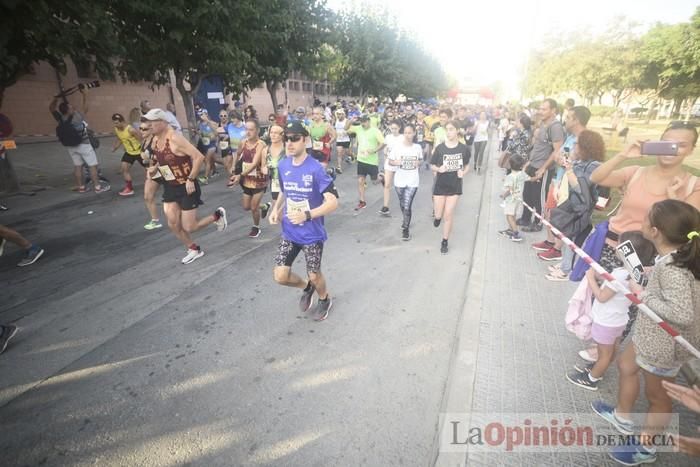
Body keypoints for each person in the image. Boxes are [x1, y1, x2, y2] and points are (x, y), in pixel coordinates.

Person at [592, 199, 700, 465]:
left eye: (646, 217)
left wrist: (644, 296)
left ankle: (646, 447)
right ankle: (622, 415)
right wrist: (649, 275)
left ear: (655, 231)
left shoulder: (673, 268)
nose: (642, 219)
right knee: (626, 365)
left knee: (659, 398)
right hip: (649, 336)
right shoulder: (672, 258)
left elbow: (683, 314)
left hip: (664, 346)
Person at [566, 231, 655, 391]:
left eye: (618, 244)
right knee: (612, 349)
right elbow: (616, 288)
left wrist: (591, 278)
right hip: (619, 319)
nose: (615, 246)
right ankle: (598, 368)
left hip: (606, 321)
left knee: (604, 353)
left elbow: (601, 296)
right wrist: (602, 278)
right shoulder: (637, 273)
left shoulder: (620, 275)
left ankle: (592, 378)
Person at [269, 121, 339, 321]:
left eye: (294, 139)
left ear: (305, 140)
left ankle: (324, 299)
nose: (289, 143)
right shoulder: (283, 165)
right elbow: (285, 190)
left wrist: (307, 215)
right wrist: (276, 209)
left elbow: (333, 202)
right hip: (290, 231)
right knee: (280, 276)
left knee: (315, 274)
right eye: (286, 139)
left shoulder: (316, 169)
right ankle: (306, 287)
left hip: (311, 234)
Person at [142, 109, 227, 264]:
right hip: (170, 185)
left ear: (163, 122)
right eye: (148, 122)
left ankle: (217, 216)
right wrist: (155, 167)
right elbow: (159, 158)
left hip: (187, 185)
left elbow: (198, 157)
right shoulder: (155, 139)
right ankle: (193, 249)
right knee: (173, 223)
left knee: (189, 226)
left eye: (153, 122)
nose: (149, 125)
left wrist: (190, 179)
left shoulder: (175, 138)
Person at [534, 106, 592, 263]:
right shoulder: (571, 136)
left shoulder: (585, 139)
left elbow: (580, 163)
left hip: (569, 184)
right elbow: (561, 155)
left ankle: (557, 249)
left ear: (576, 120)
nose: (565, 120)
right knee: (549, 213)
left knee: (562, 217)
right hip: (558, 179)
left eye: (569, 117)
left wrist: (564, 160)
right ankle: (550, 241)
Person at [518, 98, 565, 231]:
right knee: (527, 194)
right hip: (533, 164)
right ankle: (525, 219)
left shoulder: (555, 127)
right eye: (540, 108)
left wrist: (544, 168)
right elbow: (538, 146)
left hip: (542, 168)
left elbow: (557, 151)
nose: (540, 111)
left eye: (544, 109)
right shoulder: (543, 124)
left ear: (553, 111)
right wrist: (528, 162)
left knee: (539, 197)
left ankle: (538, 223)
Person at [49, 87, 106, 193]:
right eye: (71, 107)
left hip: (70, 146)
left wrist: (55, 98)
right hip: (84, 144)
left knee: (77, 166)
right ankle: (98, 187)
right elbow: (86, 108)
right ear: (68, 110)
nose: (73, 108)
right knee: (92, 165)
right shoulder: (77, 116)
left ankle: (81, 187)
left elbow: (51, 108)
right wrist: (85, 95)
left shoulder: (60, 118)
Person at [431, 121, 471, 254]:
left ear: (457, 130)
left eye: (451, 129)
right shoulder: (440, 148)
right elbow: (432, 165)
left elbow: (467, 166)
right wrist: (439, 168)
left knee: (448, 214)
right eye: (447, 130)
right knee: (439, 214)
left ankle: (444, 240)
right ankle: (437, 218)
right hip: (440, 185)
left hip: (455, 185)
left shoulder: (463, 149)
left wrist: (463, 172)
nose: (449, 132)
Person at [229, 119, 269, 238]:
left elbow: (254, 163)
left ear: (257, 130)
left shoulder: (261, 144)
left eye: (251, 130)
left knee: (253, 207)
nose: (248, 132)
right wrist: (233, 165)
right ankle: (265, 206)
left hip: (259, 180)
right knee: (246, 206)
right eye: (246, 129)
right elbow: (237, 153)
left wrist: (240, 175)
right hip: (247, 179)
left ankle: (256, 227)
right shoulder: (243, 142)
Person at [387, 124, 422, 240]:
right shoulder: (397, 147)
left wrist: (418, 163)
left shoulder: (417, 147)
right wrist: (396, 162)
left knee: (407, 205)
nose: (408, 135)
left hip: (412, 180)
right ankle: (405, 219)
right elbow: (390, 161)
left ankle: (405, 230)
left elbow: (420, 160)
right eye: (406, 133)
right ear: (403, 134)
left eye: (410, 132)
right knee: (403, 204)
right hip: (399, 180)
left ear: (414, 134)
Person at [347, 115, 385, 211]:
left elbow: (383, 143)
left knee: (375, 181)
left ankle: (382, 178)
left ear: (369, 121)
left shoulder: (375, 131)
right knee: (360, 181)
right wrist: (351, 120)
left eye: (364, 122)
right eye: (361, 122)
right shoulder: (359, 128)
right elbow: (346, 128)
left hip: (372, 161)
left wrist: (374, 150)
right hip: (361, 160)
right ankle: (362, 201)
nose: (363, 124)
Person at [137, 121, 163, 230]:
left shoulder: (155, 140)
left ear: (151, 129)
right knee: (147, 196)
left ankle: (186, 214)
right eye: (140, 128)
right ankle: (155, 220)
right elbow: (146, 159)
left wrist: (155, 166)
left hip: (162, 171)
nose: (141, 131)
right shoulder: (144, 142)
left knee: (175, 195)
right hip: (151, 172)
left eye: (145, 129)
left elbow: (162, 156)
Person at [110, 112, 144, 197]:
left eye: (117, 123)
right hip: (129, 153)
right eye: (114, 123)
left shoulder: (130, 130)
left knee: (150, 169)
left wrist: (146, 151)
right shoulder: (117, 129)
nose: (116, 125)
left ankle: (161, 180)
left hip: (139, 152)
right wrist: (115, 147)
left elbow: (141, 139)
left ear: (122, 121)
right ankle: (129, 188)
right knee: (124, 169)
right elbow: (120, 139)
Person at [498, 155, 528, 242]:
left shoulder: (510, 177)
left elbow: (510, 190)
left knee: (509, 216)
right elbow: (529, 178)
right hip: (518, 198)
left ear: (510, 165)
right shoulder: (522, 174)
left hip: (511, 199)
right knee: (513, 214)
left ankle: (516, 234)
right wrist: (536, 178)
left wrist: (503, 195)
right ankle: (510, 229)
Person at [380, 120, 403, 216]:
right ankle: (385, 207)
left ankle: (404, 204)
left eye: (395, 128)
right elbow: (385, 147)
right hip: (389, 163)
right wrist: (385, 156)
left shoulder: (403, 138)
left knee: (400, 186)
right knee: (387, 184)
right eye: (392, 128)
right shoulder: (388, 137)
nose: (393, 130)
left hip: (399, 164)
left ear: (399, 128)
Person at [262, 123, 285, 205]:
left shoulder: (288, 149)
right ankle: (269, 207)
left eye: (276, 133)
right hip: (275, 182)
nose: (273, 135)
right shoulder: (266, 150)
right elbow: (263, 166)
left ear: (282, 135)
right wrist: (264, 169)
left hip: (288, 182)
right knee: (277, 210)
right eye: (271, 132)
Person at [195, 109, 218, 184]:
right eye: (199, 115)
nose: (200, 117)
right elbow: (201, 134)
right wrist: (197, 133)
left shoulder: (211, 123)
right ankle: (228, 168)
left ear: (206, 114)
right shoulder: (199, 123)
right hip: (205, 145)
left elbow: (216, 132)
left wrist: (208, 121)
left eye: (202, 115)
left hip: (212, 145)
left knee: (207, 160)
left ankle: (205, 178)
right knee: (215, 160)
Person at [334, 108, 350, 174]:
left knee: (347, 152)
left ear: (344, 114)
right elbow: (334, 129)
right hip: (339, 140)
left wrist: (346, 132)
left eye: (340, 114)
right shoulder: (336, 120)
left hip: (346, 139)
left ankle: (352, 156)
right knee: (339, 153)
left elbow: (350, 130)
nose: (339, 115)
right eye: (338, 114)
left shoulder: (347, 121)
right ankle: (339, 167)